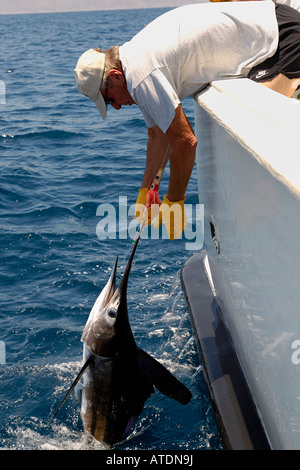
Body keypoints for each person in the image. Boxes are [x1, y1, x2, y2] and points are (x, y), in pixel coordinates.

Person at [74, 1, 300, 240]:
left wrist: (175, 201)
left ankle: (271, 230)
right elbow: (158, 135)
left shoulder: (142, 76)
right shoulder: (134, 63)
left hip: (281, 37)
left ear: (116, 76)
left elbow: (184, 141)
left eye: (109, 100)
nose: (117, 107)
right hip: (273, 29)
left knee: (237, 137)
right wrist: (147, 192)